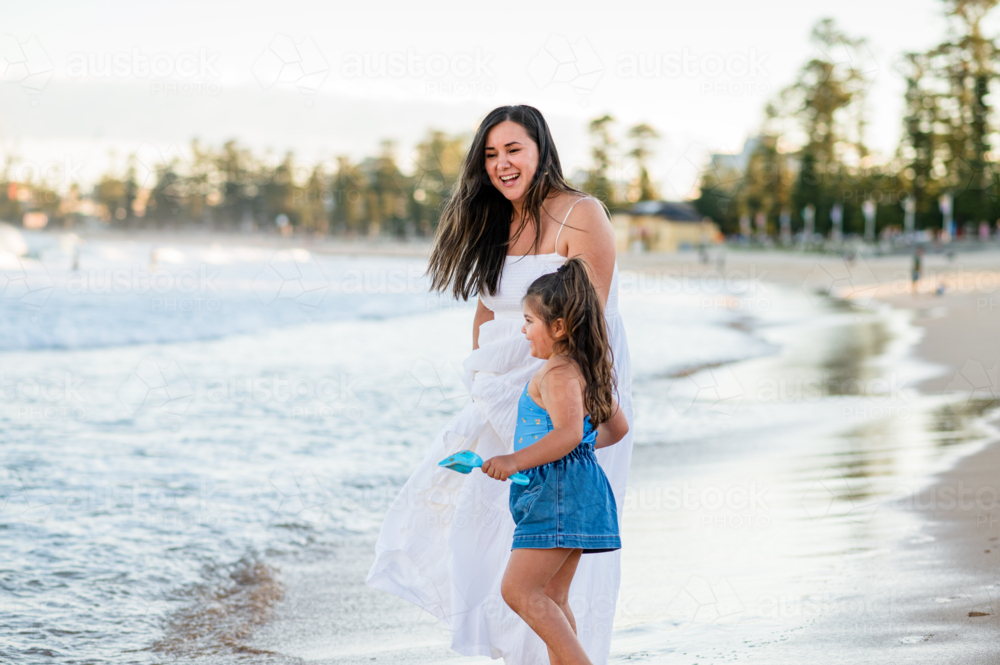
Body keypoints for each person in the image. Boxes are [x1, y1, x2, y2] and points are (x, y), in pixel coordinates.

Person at [365, 104, 634, 664]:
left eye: (513, 150)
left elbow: (587, 322)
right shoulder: (495, 221)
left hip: (561, 392)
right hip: (497, 395)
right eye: (490, 154)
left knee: (540, 554)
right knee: (478, 534)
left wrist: (566, 409)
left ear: (541, 150)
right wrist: (482, 387)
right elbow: (488, 311)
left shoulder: (580, 215)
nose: (501, 164)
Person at [480, 257, 629, 665]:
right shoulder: (587, 369)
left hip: (556, 493)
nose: (523, 329)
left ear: (558, 327)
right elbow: (617, 429)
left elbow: (566, 433)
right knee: (553, 597)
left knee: (519, 592)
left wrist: (514, 461)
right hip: (577, 490)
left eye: (529, 321)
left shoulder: (558, 373)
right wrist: (578, 452)